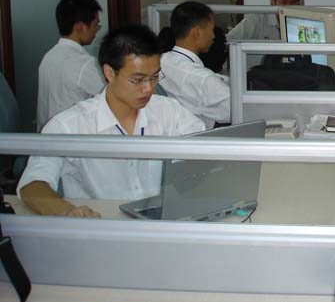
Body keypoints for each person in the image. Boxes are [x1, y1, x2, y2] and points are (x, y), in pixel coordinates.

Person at [18, 24, 205, 218]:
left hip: (157, 224)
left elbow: (207, 148)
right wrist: (67, 211)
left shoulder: (168, 110)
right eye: (137, 79)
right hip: (101, 226)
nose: (149, 88)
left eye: (155, 77)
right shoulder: (70, 125)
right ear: (109, 73)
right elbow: (32, 186)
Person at [36, 0, 106, 130]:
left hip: (48, 135)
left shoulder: (48, 57)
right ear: (80, 27)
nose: (96, 31)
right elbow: (116, 96)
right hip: (73, 135)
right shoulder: (85, 64)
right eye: (95, 26)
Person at [160, 2, 230, 128]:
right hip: (202, 135)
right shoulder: (203, 79)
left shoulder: (161, 61)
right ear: (196, 32)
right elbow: (238, 110)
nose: (213, 36)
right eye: (211, 29)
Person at [227, 0, 304, 41]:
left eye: (293, 3)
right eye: (283, 2)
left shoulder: (304, 22)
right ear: (273, 1)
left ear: (300, 2)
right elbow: (229, 40)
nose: (289, 7)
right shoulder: (256, 19)